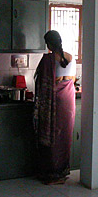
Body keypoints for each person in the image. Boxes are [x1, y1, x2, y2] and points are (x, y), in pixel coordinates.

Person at [34, 30, 76, 185]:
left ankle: (51, 174)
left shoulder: (48, 59)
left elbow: (40, 81)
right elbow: (72, 79)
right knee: (64, 137)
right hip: (68, 102)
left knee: (50, 137)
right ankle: (62, 172)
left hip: (53, 102)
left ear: (49, 44)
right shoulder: (71, 57)